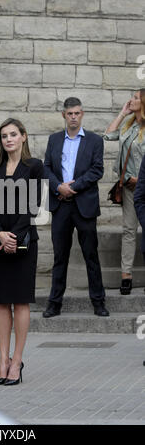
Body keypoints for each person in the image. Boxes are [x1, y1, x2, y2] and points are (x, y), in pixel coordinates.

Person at [0, 118, 44, 386]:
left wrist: (15, 236)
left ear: (23, 136)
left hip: (24, 241)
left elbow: (34, 206)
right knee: (1, 303)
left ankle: (17, 361)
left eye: (12, 134)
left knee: (20, 301)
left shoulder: (34, 167)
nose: (8, 139)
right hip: (0, 241)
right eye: (4, 136)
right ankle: (2, 360)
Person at [43, 97, 109, 318]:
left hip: (84, 206)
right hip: (61, 206)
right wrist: (58, 187)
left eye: (77, 113)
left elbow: (97, 170)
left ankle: (98, 302)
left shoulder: (94, 141)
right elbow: (47, 168)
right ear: (64, 115)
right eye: (69, 113)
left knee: (91, 255)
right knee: (60, 257)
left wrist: (74, 187)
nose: (73, 117)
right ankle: (54, 304)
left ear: (82, 114)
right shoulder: (53, 140)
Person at [104, 89, 145, 295]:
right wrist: (122, 113)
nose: (132, 100)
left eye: (136, 98)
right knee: (129, 230)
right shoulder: (129, 126)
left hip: (144, 185)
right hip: (129, 187)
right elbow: (108, 134)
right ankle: (126, 275)